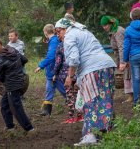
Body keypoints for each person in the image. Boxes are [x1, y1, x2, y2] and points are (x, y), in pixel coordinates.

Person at [62, 18, 116, 146]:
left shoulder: (69, 35)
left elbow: (74, 59)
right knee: (105, 101)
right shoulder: (85, 32)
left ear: (64, 29)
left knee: (91, 102)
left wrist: (70, 77)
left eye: (58, 32)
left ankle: (90, 136)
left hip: (92, 70)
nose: (58, 35)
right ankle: (107, 133)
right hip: (107, 65)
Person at [0, 36, 34, 133]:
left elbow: (0, 76)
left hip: (12, 85)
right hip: (21, 81)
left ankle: (29, 129)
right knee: (4, 105)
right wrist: (17, 69)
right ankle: (10, 126)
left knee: (16, 107)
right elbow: (24, 59)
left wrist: (2, 80)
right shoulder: (12, 49)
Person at [54, 18, 83, 124]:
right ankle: (80, 116)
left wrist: (55, 73)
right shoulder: (76, 43)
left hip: (66, 76)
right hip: (77, 74)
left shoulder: (60, 47)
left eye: (58, 33)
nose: (58, 35)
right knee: (78, 95)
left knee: (70, 97)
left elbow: (58, 62)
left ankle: (71, 117)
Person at [35, 24, 66, 116]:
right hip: (51, 71)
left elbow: (52, 56)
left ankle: (78, 104)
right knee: (49, 89)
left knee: (64, 90)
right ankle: (46, 111)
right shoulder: (53, 40)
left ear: (45, 32)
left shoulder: (54, 41)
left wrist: (41, 65)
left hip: (54, 71)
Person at [100, 15, 133, 103]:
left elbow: (122, 47)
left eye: (106, 25)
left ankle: (132, 96)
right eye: (103, 26)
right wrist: (118, 62)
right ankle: (132, 95)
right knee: (127, 76)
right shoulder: (112, 31)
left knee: (128, 75)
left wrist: (123, 62)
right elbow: (116, 49)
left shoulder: (118, 31)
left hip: (128, 56)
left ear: (110, 24)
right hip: (121, 55)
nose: (104, 27)